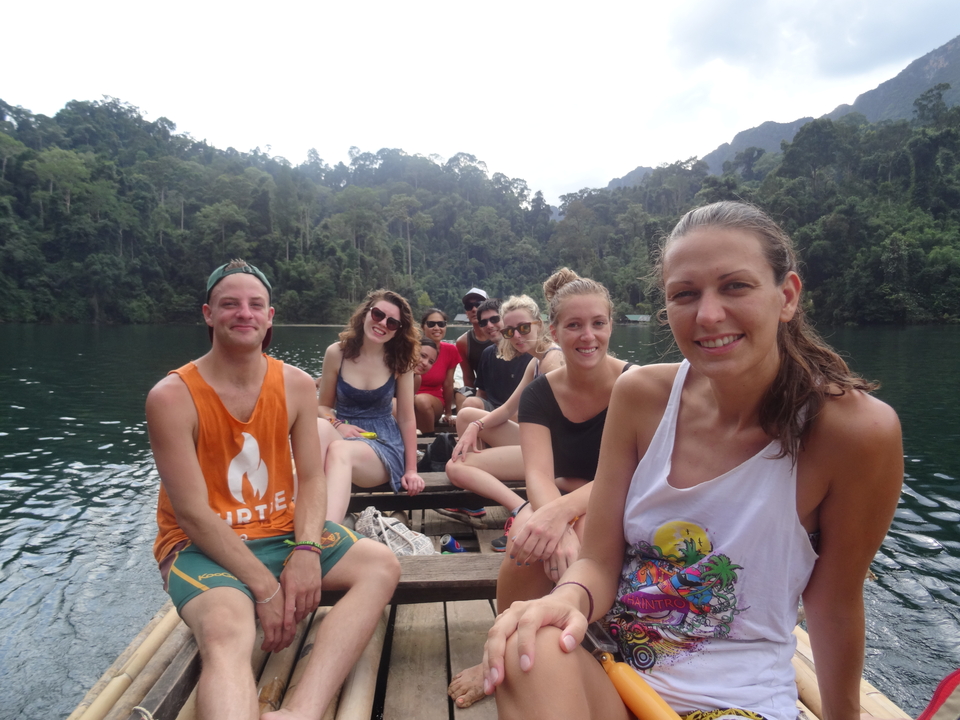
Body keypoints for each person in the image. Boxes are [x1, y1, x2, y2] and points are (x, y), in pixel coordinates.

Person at [481, 202, 904, 720]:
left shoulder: (853, 431)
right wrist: (566, 599)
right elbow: (598, 561)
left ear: (786, 295)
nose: (707, 315)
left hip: (736, 703)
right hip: (618, 679)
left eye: (735, 286)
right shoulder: (640, 397)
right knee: (528, 645)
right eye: (685, 294)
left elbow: (835, 604)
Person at [146, 259, 400, 720]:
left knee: (380, 565)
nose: (244, 313)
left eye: (254, 305)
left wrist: (306, 550)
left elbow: (313, 478)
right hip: (202, 547)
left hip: (282, 532)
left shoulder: (296, 385)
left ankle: (300, 711)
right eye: (230, 304)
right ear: (208, 314)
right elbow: (193, 515)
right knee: (227, 630)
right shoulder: (172, 396)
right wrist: (266, 589)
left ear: (270, 316)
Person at [448, 271, 630, 707]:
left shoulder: (634, 386)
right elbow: (538, 475)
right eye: (573, 326)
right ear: (555, 331)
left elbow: (630, 478)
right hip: (565, 489)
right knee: (527, 535)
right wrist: (555, 521)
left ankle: (571, 637)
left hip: (618, 496)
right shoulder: (540, 393)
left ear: (610, 325)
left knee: (570, 532)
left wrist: (564, 516)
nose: (588, 336)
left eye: (598, 323)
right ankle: (496, 647)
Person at [317, 290, 425, 523]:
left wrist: (411, 470)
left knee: (339, 450)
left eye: (392, 322)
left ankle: (326, 535)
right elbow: (323, 407)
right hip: (342, 431)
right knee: (317, 427)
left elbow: (407, 418)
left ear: (398, 330)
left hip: (381, 443)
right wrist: (339, 425)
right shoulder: (337, 353)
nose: (382, 324)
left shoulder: (401, 361)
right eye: (378, 314)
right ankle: (292, 520)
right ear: (366, 313)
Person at [460, 297, 533, 413]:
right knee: (470, 404)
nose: (489, 325)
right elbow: (482, 392)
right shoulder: (487, 354)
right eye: (483, 322)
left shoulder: (528, 351)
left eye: (494, 319)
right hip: (494, 410)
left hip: (522, 411)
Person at [414, 308, 461, 435]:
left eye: (441, 324)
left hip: (434, 402)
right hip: (407, 400)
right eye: (431, 324)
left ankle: (429, 441)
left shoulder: (450, 350)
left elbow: (448, 384)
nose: (436, 327)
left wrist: (449, 413)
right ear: (423, 327)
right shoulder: (411, 348)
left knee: (421, 400)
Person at [455, 287, 493, 413]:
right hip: (481, 390)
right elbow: (468, 377)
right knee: (461, 394)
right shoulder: (463, 342)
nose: (474, 309)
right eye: (469, 306)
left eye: (479, 304)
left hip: (503, 388)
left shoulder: (500, 336)